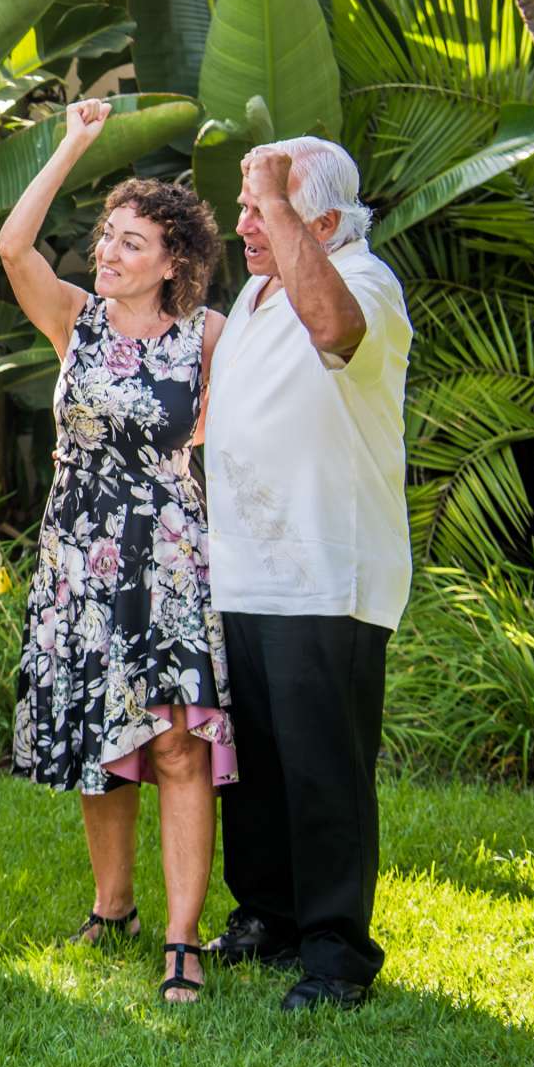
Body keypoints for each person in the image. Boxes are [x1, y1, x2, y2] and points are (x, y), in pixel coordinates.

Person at [0, 98, 230, 1004]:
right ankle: (112, 906)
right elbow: (16, 247)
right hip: (79, 555)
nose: (109, 252)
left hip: (167, 560)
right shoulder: (76, 320)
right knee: (102, 736)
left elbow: (230, 441)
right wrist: (71, 145)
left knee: (175, 745)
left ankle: (182, 937)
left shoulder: (206, 339)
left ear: (176, 261)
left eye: (133, 242)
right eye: (107, 237)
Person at [201, 139, 411, 1012]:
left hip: (328, 575)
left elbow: (332, 333)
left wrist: (280, 210)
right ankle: (268, 916)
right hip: (243, 572)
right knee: (253, 770)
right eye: (248, 210)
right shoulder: (255, 291)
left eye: (263, 209)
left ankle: (337, 953)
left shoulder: (364, 283)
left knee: (325, 770)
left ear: (320, 220)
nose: (244, 225)